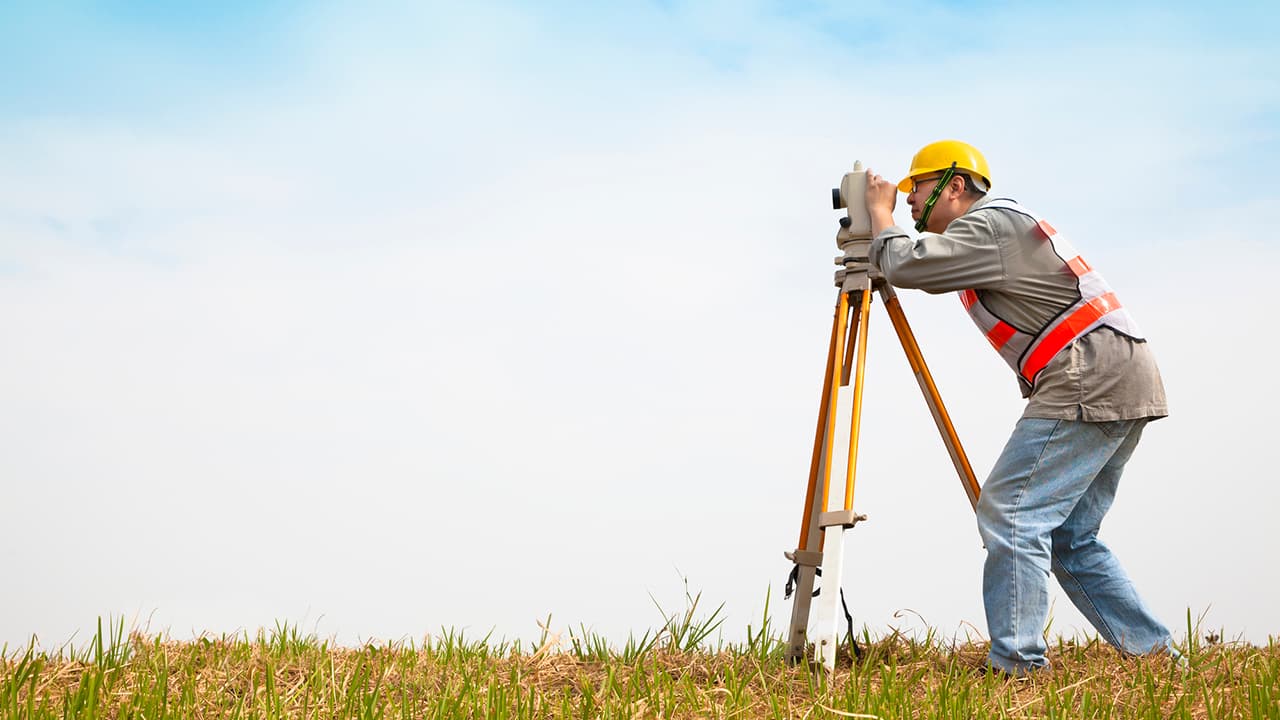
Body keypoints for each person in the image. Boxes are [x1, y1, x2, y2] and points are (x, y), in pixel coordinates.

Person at [861, 140, 1175, 676]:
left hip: (1088, 373)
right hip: (1118, 373)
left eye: (917, 187)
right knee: (1069, 538)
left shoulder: (986, 224)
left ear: (954, 186)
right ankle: (1155, 656)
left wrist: (878, 214)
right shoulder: (997, 228)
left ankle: (1019, 665)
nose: (909, 200)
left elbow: (909, 267)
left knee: (1011, 514)